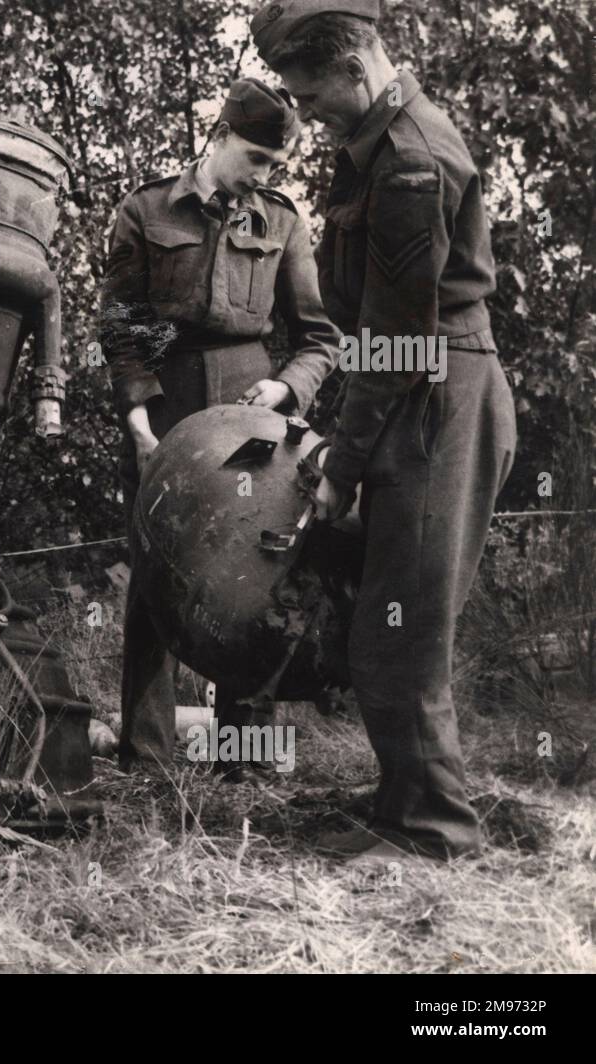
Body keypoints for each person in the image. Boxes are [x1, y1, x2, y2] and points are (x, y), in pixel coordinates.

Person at [251, 0, 516, 861]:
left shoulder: (408, 160)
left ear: (356, 68)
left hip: (438, 396)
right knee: (387, 615)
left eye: (313, 96)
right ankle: (402, 807)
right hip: (419, 390)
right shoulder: (372, 144)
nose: (310, 116)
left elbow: (395, 341)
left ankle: (436, 833)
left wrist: (344, 465)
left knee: (403, 624)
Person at [100, 77, 340, 776]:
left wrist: (286, 389)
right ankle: (145, 753)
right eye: (256, 158)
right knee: (153, 568)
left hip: (252, 411)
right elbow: (120, 325)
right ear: (220, 136)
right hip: (165, 401)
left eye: (274, 164)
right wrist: (139, 416)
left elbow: (320, 338)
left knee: (256, 569)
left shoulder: (282, 221)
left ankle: (245, 756)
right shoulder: (145, 210)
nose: (263, 175)